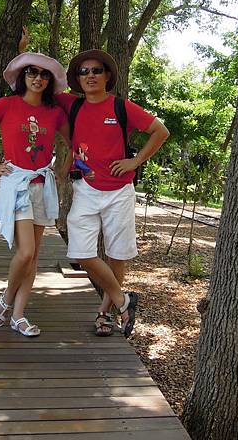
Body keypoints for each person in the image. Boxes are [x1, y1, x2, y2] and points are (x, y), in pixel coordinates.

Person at [57, 50, 169, 337]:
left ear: (107, 75)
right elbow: (34, 81)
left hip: (119, 191)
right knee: (81, 252)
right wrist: (22, 51)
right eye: (84, 72)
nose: (90, 75)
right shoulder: (72, 105)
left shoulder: (122, 107)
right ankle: (124, 300)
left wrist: (135, 160)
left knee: (116, 255)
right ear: (78, 80)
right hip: (85, 189)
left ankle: (104, 314)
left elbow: (160, 131)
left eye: (96, 70)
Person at [0, 52, 69, 337]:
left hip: (42, 184)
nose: (38, 78)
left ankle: (19, 316)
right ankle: (5, 300)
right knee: (25, 252)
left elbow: (72, 143)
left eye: (44, 74)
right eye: (32, 72)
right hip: (17, 184)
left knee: (34, 256)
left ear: (49, 81)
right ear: (22, 77)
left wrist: (62, 170)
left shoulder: (55, 112)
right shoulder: (6, 105)